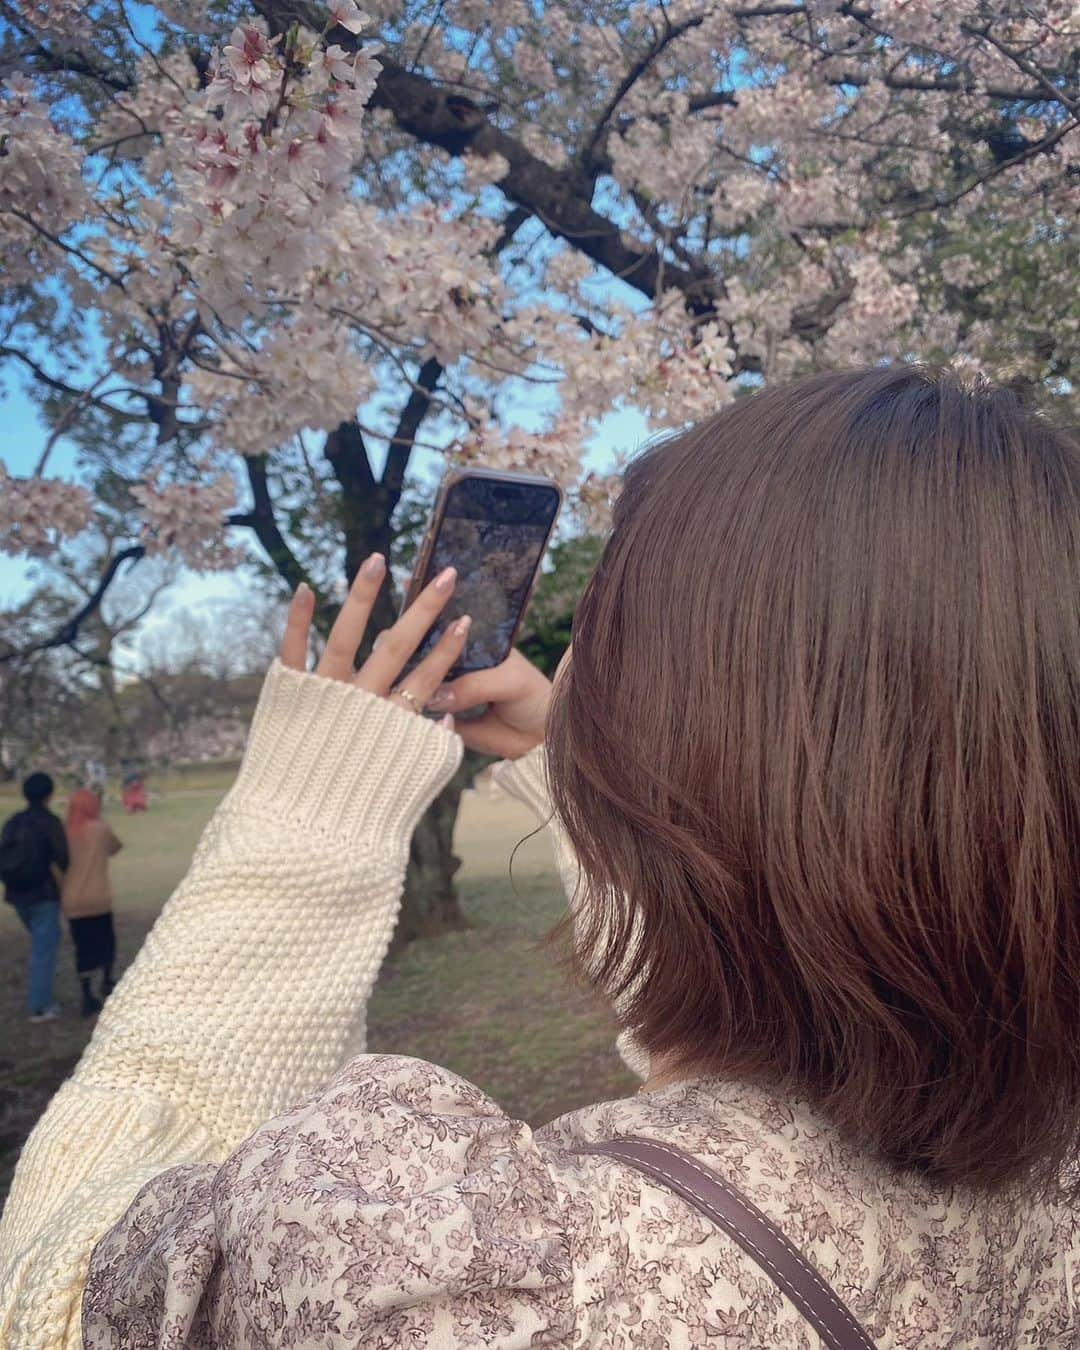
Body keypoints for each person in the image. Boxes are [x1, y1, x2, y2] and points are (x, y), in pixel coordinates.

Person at [2, 366, 1080, 1347]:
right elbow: (779, 980)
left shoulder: (476, 1284)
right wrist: (586, 767)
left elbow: (52, 1284)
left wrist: (304, 816)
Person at [0, 772, 68, 1024]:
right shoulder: (50, 822)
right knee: (44, 949)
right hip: (44, 893)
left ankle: (41, 997)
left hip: (18, 895)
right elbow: (63, 857)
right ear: (49, 795)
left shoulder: (13, 822)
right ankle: (40, 1006)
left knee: (40, 944)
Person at [62, 788, 122, 1018]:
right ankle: (106, 980)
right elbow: (115, 848)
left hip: (73, 900)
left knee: (83, 947)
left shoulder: (65, 832)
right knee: (106, 941)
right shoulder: (100, 830)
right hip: (98, 898)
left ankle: (86, 993)